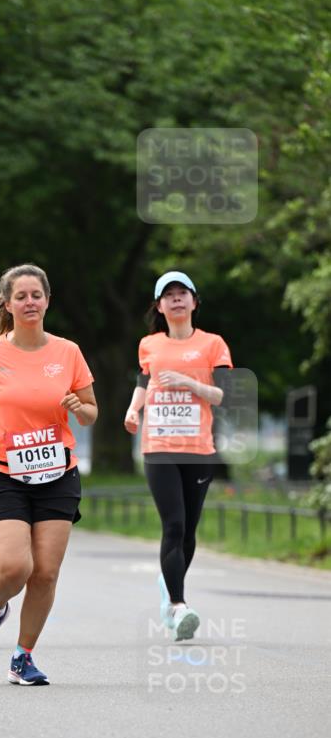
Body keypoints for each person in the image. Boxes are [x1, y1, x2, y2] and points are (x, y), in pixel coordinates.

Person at [0, 264, 97, 685]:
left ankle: (23, 656)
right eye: (21, 296)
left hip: (57, 473)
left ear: (48, 300)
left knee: (46, 572)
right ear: (8, 304)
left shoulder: (68, 352)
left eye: (36, 295)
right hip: (3, 473)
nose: (30, 302)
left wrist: (79, 408)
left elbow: (91, 413)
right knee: (16, 566)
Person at [123, 270, 233, 641]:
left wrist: (188, 383)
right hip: (159, 448)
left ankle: (168, 584)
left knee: (188, 531)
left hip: (199, 448)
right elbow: (144, 381)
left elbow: (224, 396)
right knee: (172, 524)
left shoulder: (212, 344)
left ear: (194, 301)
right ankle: (177, 605)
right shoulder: (149, 345)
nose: (176, 299)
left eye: (182, 293)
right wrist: (133, 409)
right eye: (168, 294)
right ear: (159, 306)